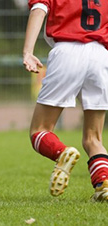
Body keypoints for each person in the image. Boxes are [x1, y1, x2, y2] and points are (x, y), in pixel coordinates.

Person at [23, 0, 108, 201]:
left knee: (39, 130)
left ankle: (62, 153)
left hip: (67, 51)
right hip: (101, 56)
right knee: (93, 138)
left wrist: (27, 51)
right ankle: (103, 185)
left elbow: (38, 10)